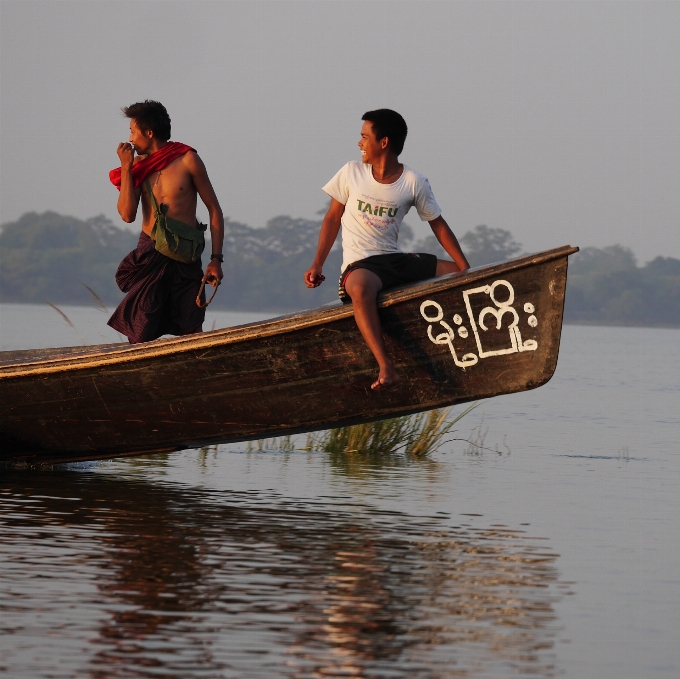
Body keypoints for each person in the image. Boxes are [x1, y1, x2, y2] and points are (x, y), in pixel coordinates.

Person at [304, 109, 470, 390]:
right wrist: (317, 263)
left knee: (457, 274)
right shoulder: (351, 173)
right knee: (359, 288)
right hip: (362, 267)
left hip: (395, 261)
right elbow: (332, 218)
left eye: (364, 137)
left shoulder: (413, 182)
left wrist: (466, 269)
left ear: (384, 142)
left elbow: (438, 225)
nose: (359, 143)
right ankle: (386, 366)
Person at [107, 100, 224, 343]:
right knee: (141, 332)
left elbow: (214, 210)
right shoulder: (138, 167)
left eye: (132, 131)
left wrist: (216, 260)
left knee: (191, 329)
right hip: (151, 252)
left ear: (149, 133)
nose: (129, 137)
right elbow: (127, 214)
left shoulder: (187, 159)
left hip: (186, 257)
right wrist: (127, 168)